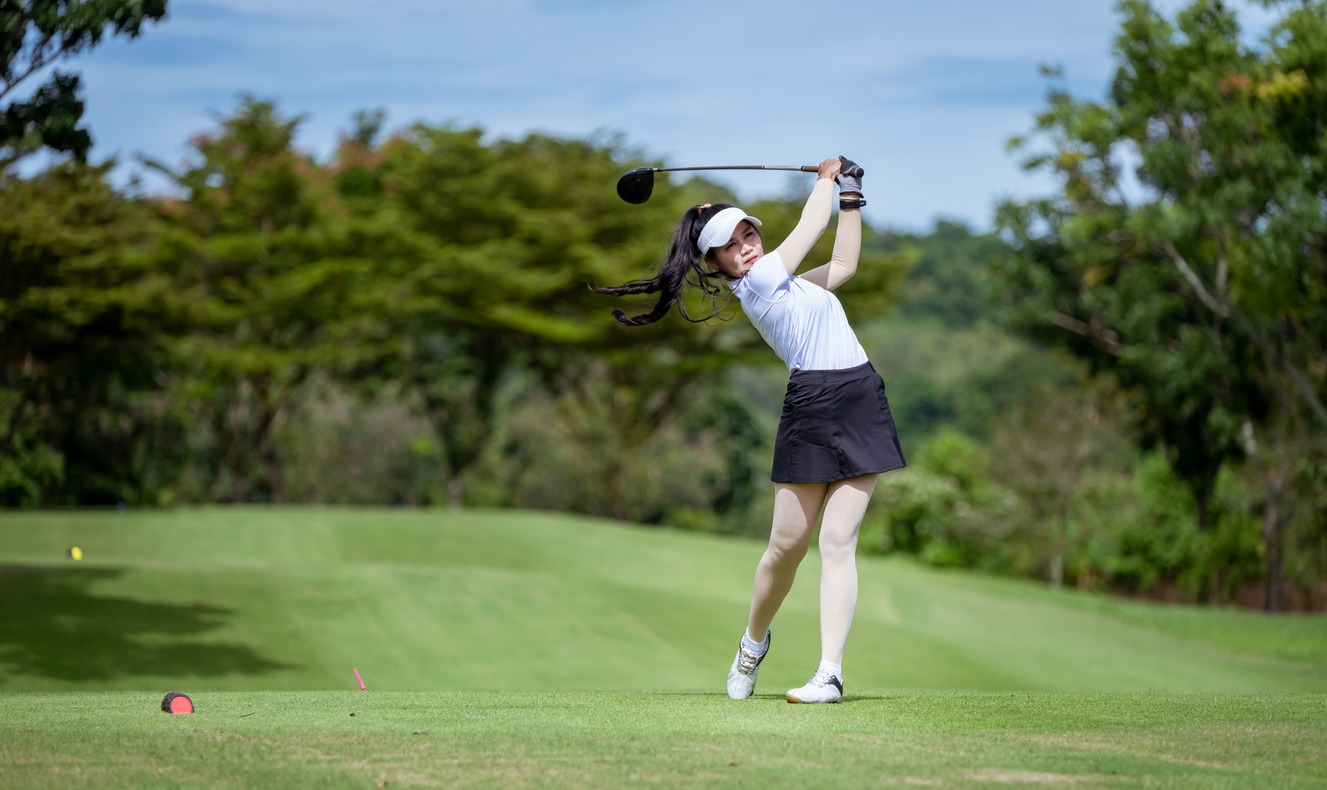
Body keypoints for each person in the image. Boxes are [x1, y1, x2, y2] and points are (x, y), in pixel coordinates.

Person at [593, 156, 905, 704]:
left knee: (838, 541)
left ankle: (829, 673)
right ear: (714, 261)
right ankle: (752, 644)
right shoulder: (758, 284)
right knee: (786, 548)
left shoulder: (789, 286)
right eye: (732, 244)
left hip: (860, 396)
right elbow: (810, 229)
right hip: (811, 405)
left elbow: (844, 263)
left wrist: (851, 194)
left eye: (748, 232)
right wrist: (827, 179)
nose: (747, 245)